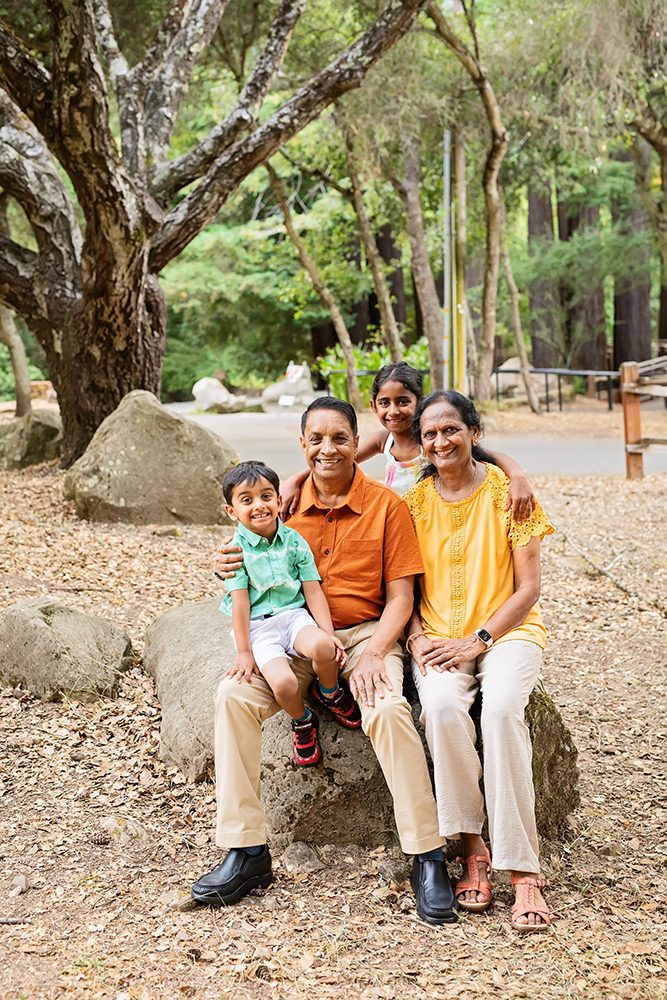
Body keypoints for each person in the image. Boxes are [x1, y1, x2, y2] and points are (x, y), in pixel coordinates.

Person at [192, 397, 458, 924]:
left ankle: (427, 855)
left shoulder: (387, 506)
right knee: (232, 697)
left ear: (357, 442)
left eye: (339, 438)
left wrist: (375, 652)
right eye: (316, 439)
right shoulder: (281, 503)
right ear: (302, 445)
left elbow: (401, 598)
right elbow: (240, 550)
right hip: (292, 635)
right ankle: (247, 850)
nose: (327, 449)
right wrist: (223, 561)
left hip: (364, 637)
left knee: (387, 709)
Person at [404, 390, 555, 933]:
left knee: (501, 711)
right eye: (430, 434)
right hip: (437, 637)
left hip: (508, 632)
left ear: (473, 433)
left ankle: (523, 868)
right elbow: (402, 589)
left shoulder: (508, 494)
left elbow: (529, 588)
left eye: (451, 429)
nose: (440, 441)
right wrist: (416, 639)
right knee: (442, 709)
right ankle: (473, 848)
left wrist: (480, 640)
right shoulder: (413, 504)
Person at [219, 460, 359, 769]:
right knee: (283, 684)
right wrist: (244, 652)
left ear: (279, 500)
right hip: (259, 628)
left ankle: (329, 691)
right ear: (231, 511)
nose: (259, 505)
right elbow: (240, 603)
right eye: (247, 500)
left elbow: (312, 589)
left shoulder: (294, 540)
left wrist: (328, 633)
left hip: (294, 617)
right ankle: (302, 719)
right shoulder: (235, 550)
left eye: (266, 496)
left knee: (323, 647)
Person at [281, 362, 536, 517]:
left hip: (432, 523)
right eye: (385, 403)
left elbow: (492, 456)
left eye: (403, 401)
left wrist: (518, 477)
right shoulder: (384, 441)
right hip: (395, 526)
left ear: (420, 401)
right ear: (373, 406)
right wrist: (295, 480)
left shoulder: (432, 442)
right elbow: (337, 458)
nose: (393, 411)